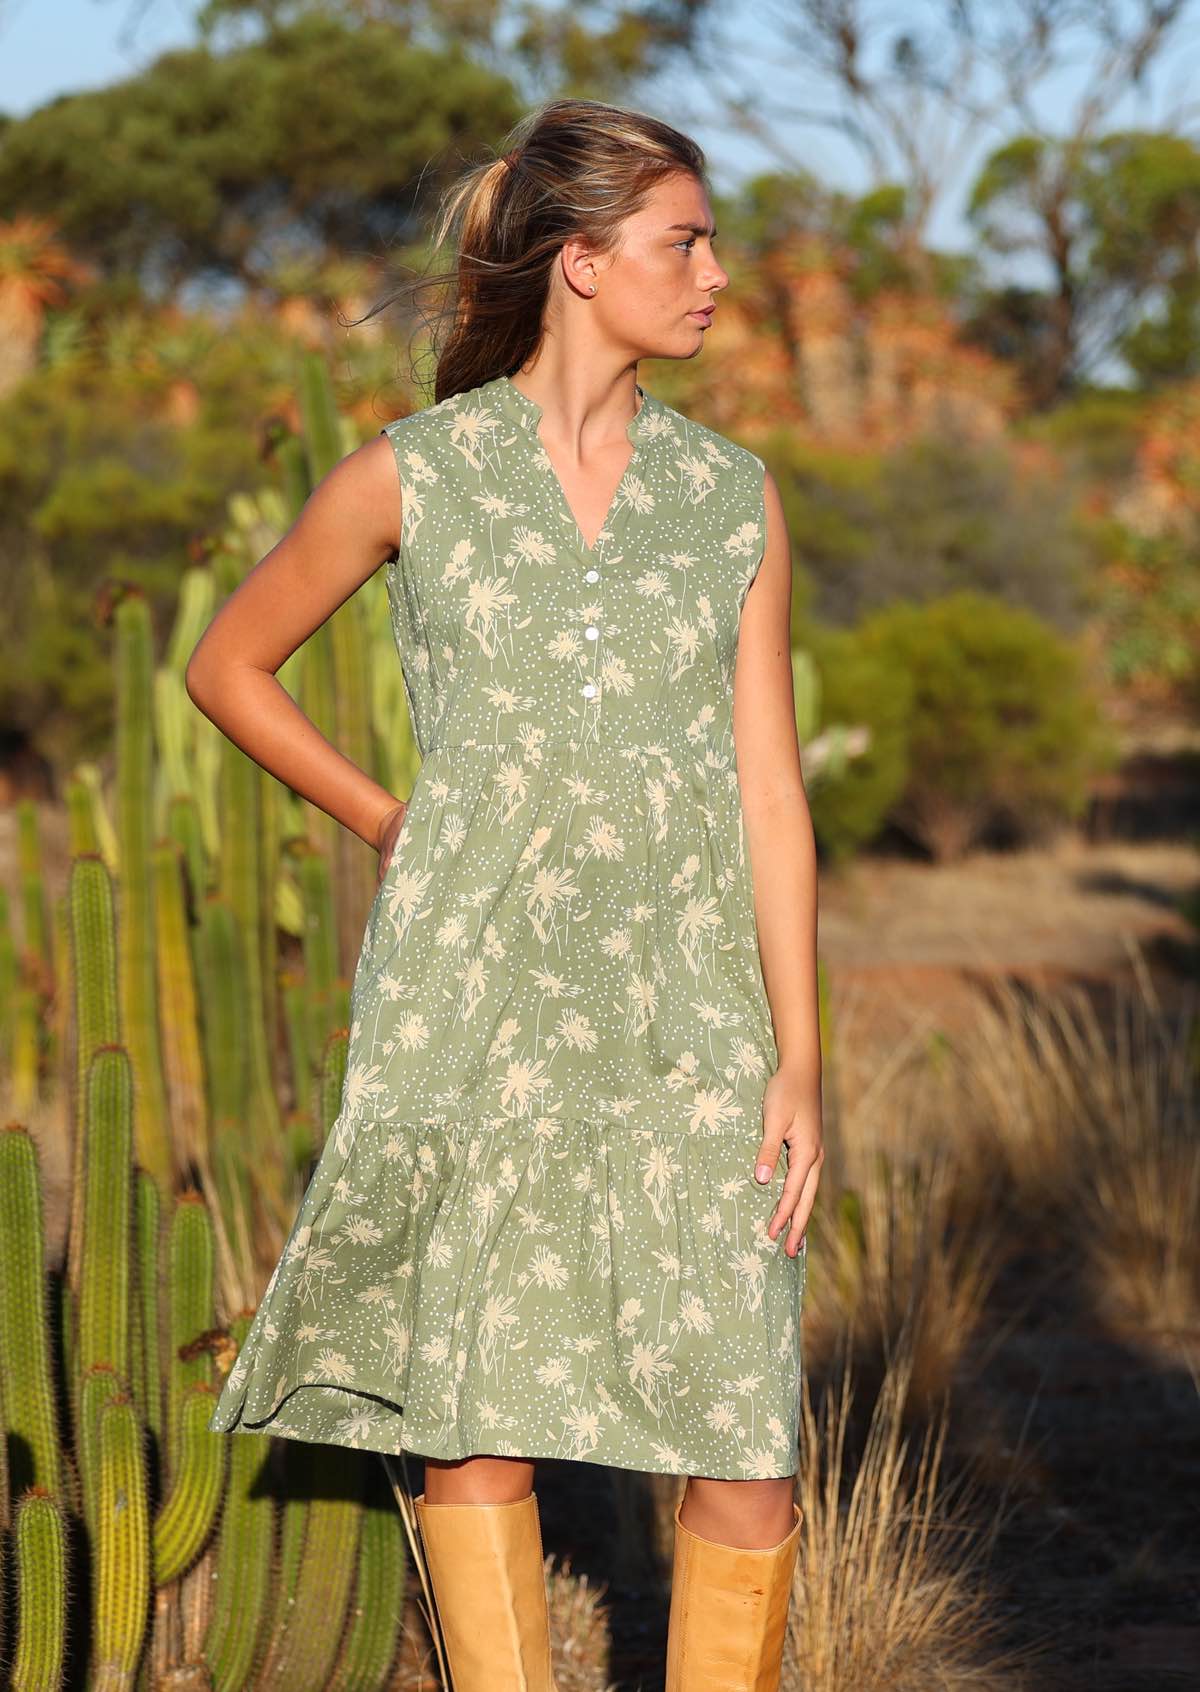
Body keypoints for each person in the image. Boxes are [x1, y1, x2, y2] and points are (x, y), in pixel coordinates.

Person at [190, 95, 824, 1692]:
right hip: (472, 1004)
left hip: (695, 1015)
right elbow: (228, 664)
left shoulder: (730, 495)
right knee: (475, 1425)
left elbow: (770, 788)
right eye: (686, 241)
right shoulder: (417, 475)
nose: (717, 276)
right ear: (581, 261)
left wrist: (801, 1056)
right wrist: (385, 817)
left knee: (744, 1434)